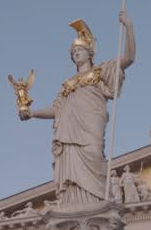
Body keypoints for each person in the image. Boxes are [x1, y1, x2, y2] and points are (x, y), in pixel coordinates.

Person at [19, 12, 136, 205]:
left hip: (91, 127)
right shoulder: (68, 85)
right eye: (73, 52)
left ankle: (98, 203)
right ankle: (74, 205)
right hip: (69, 133)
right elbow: (57, 110)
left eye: (79, 50)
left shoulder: (100, 72)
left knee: (95, 156)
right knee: (72, 176)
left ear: (90, 53)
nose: (76, 53)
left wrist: (129, 26)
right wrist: (32, 113)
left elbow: (129, 58)